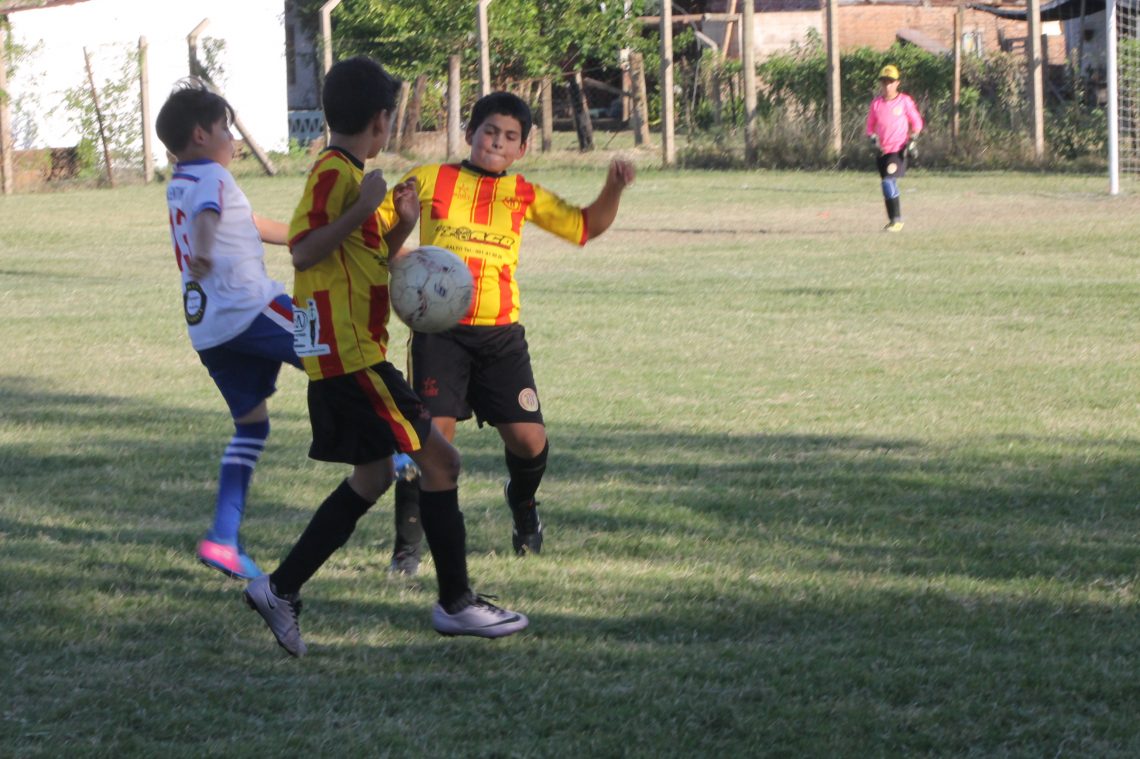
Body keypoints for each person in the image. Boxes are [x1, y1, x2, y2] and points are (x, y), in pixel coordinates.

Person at [243, 57, 528, 657]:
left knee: (372, 476)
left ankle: (279, 588)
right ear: (380, 120)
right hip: (351, 359)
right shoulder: (335, 174)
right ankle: (457, 604)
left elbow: (361, 258)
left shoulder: (350, 175)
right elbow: (302, 251)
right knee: (443, 463)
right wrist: (360, 206)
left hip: (348, 355)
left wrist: (398, 226)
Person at [378, 91, 635, 574]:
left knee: (530, 442)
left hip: (500, 338)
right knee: (430, 444)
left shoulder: (523, 192)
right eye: (489, 131)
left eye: (510, 136)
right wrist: (400, 263)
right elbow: (379, 231)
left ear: (523, 147)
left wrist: (614, 187)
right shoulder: (429, 179)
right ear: (470, 132)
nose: (497, 142)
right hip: (441, 335)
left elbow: (586, 225)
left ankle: (523, 506)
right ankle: (407, 551)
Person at [156, 80, 300, 581]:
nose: (233, 138)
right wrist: (202, 250)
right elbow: (209, 218)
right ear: (201, 134)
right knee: (335, 349)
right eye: (226, 128)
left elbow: (250, 221)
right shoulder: (213, 179)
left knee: (252, 426)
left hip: (209, 329)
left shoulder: (181, 179)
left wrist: (305, 235)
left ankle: (221, 539)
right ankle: (393, 448)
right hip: (250, 306)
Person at [865, 64, 924, 232]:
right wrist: (872, 140)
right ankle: (893, 221)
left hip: (897, 150)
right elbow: (870, 126)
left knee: (887, 182)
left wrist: (913, 140)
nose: (887, 85)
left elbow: (917, 123)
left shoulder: (904, 101)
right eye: (884, 82)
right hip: (882, 151)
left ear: (897, 83)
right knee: (887, 186)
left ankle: (897, 221)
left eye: (890, 81)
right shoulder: (876, 103)